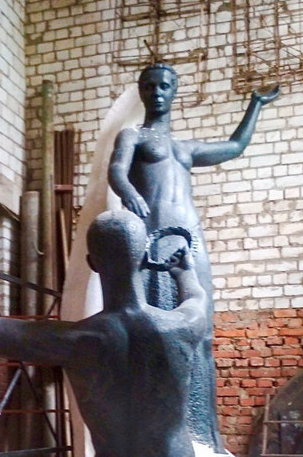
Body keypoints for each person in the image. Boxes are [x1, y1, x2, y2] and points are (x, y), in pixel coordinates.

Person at [0, 210, 209, 457]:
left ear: (92, 263)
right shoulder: (182, 326)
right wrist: (185, 273)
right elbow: (197, 299)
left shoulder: (76, 341)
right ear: (146, 258)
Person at [108, 63, 280, 452]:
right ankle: (158, 434)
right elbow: (116, 170)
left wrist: (254, 105)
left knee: (201, 333)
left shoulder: (185, 147)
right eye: (150, 86)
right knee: (153, 332)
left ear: (175, 91)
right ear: (141, 91)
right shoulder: (132, 135)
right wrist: (128, 191)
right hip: (153, 236)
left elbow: (234, 147)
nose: (157, 92)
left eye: (165, 85)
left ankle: (204, 434)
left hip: (190, 241)